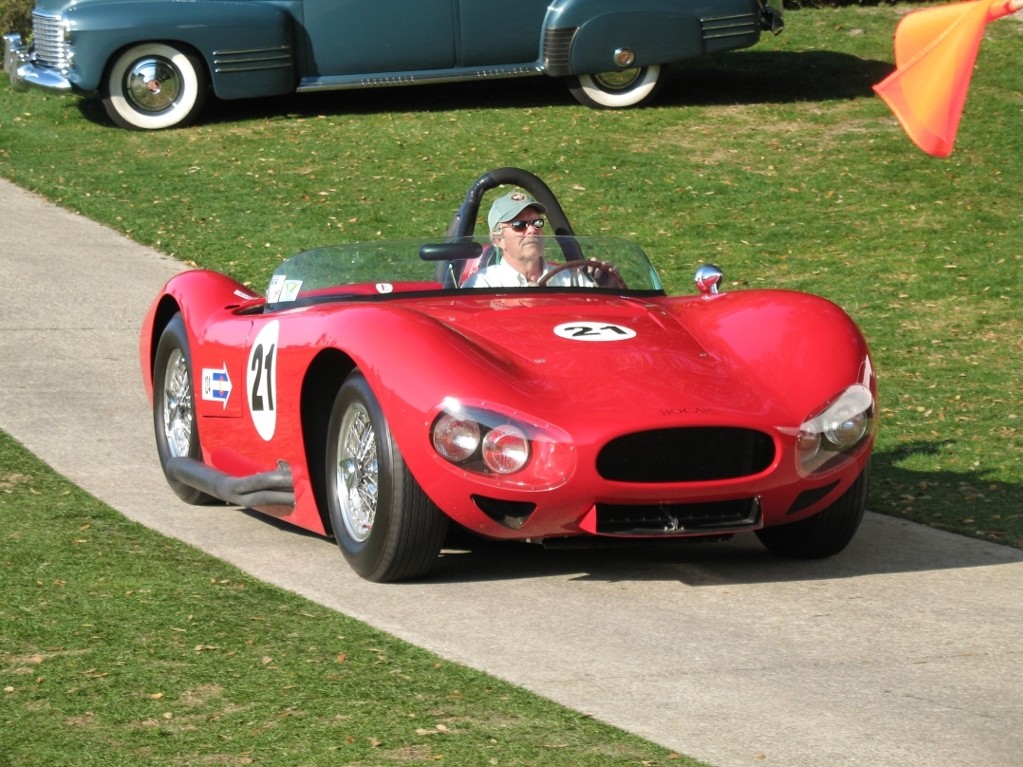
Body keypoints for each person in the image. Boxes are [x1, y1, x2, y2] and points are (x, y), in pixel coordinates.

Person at [462, 191, 617, 288]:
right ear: (498, 239)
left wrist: (608, 284)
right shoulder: (483, 286)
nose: (532, 230)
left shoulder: (571, 280)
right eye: (519, 225)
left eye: (537, 222)